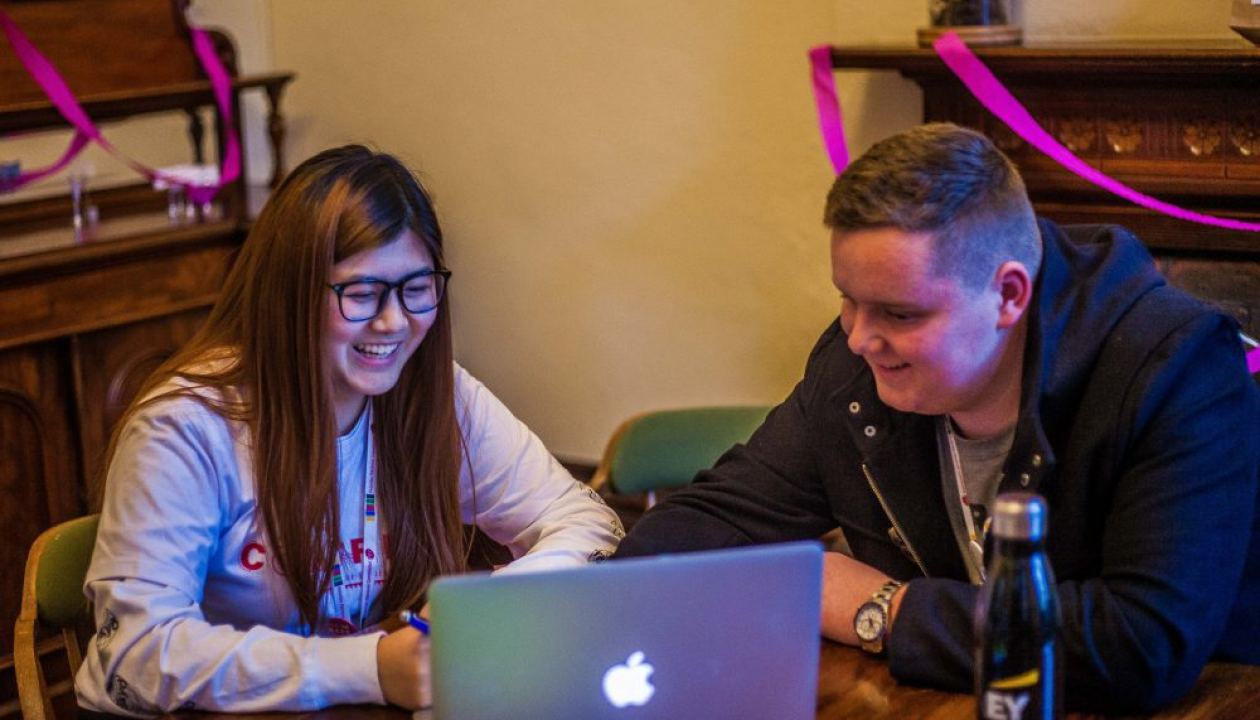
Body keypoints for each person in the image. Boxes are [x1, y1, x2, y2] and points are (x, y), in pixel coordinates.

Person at [614, 123, 1259, 714]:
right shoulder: (857, 369)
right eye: (847, 300)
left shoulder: (1175, 368)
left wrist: (880, 608)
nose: (860, 338)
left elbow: (1143, 644)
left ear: (1008, 294)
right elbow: (700, 527)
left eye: (900, 314)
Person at [75, 145, 624, 717]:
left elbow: (587, 521)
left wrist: (487, 605)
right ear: (289, 294)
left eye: (417, 288)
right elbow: (133, 655)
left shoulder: (432, 391)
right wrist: (371, 667)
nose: (394, 322)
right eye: (361, 293)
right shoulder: (185, 426)